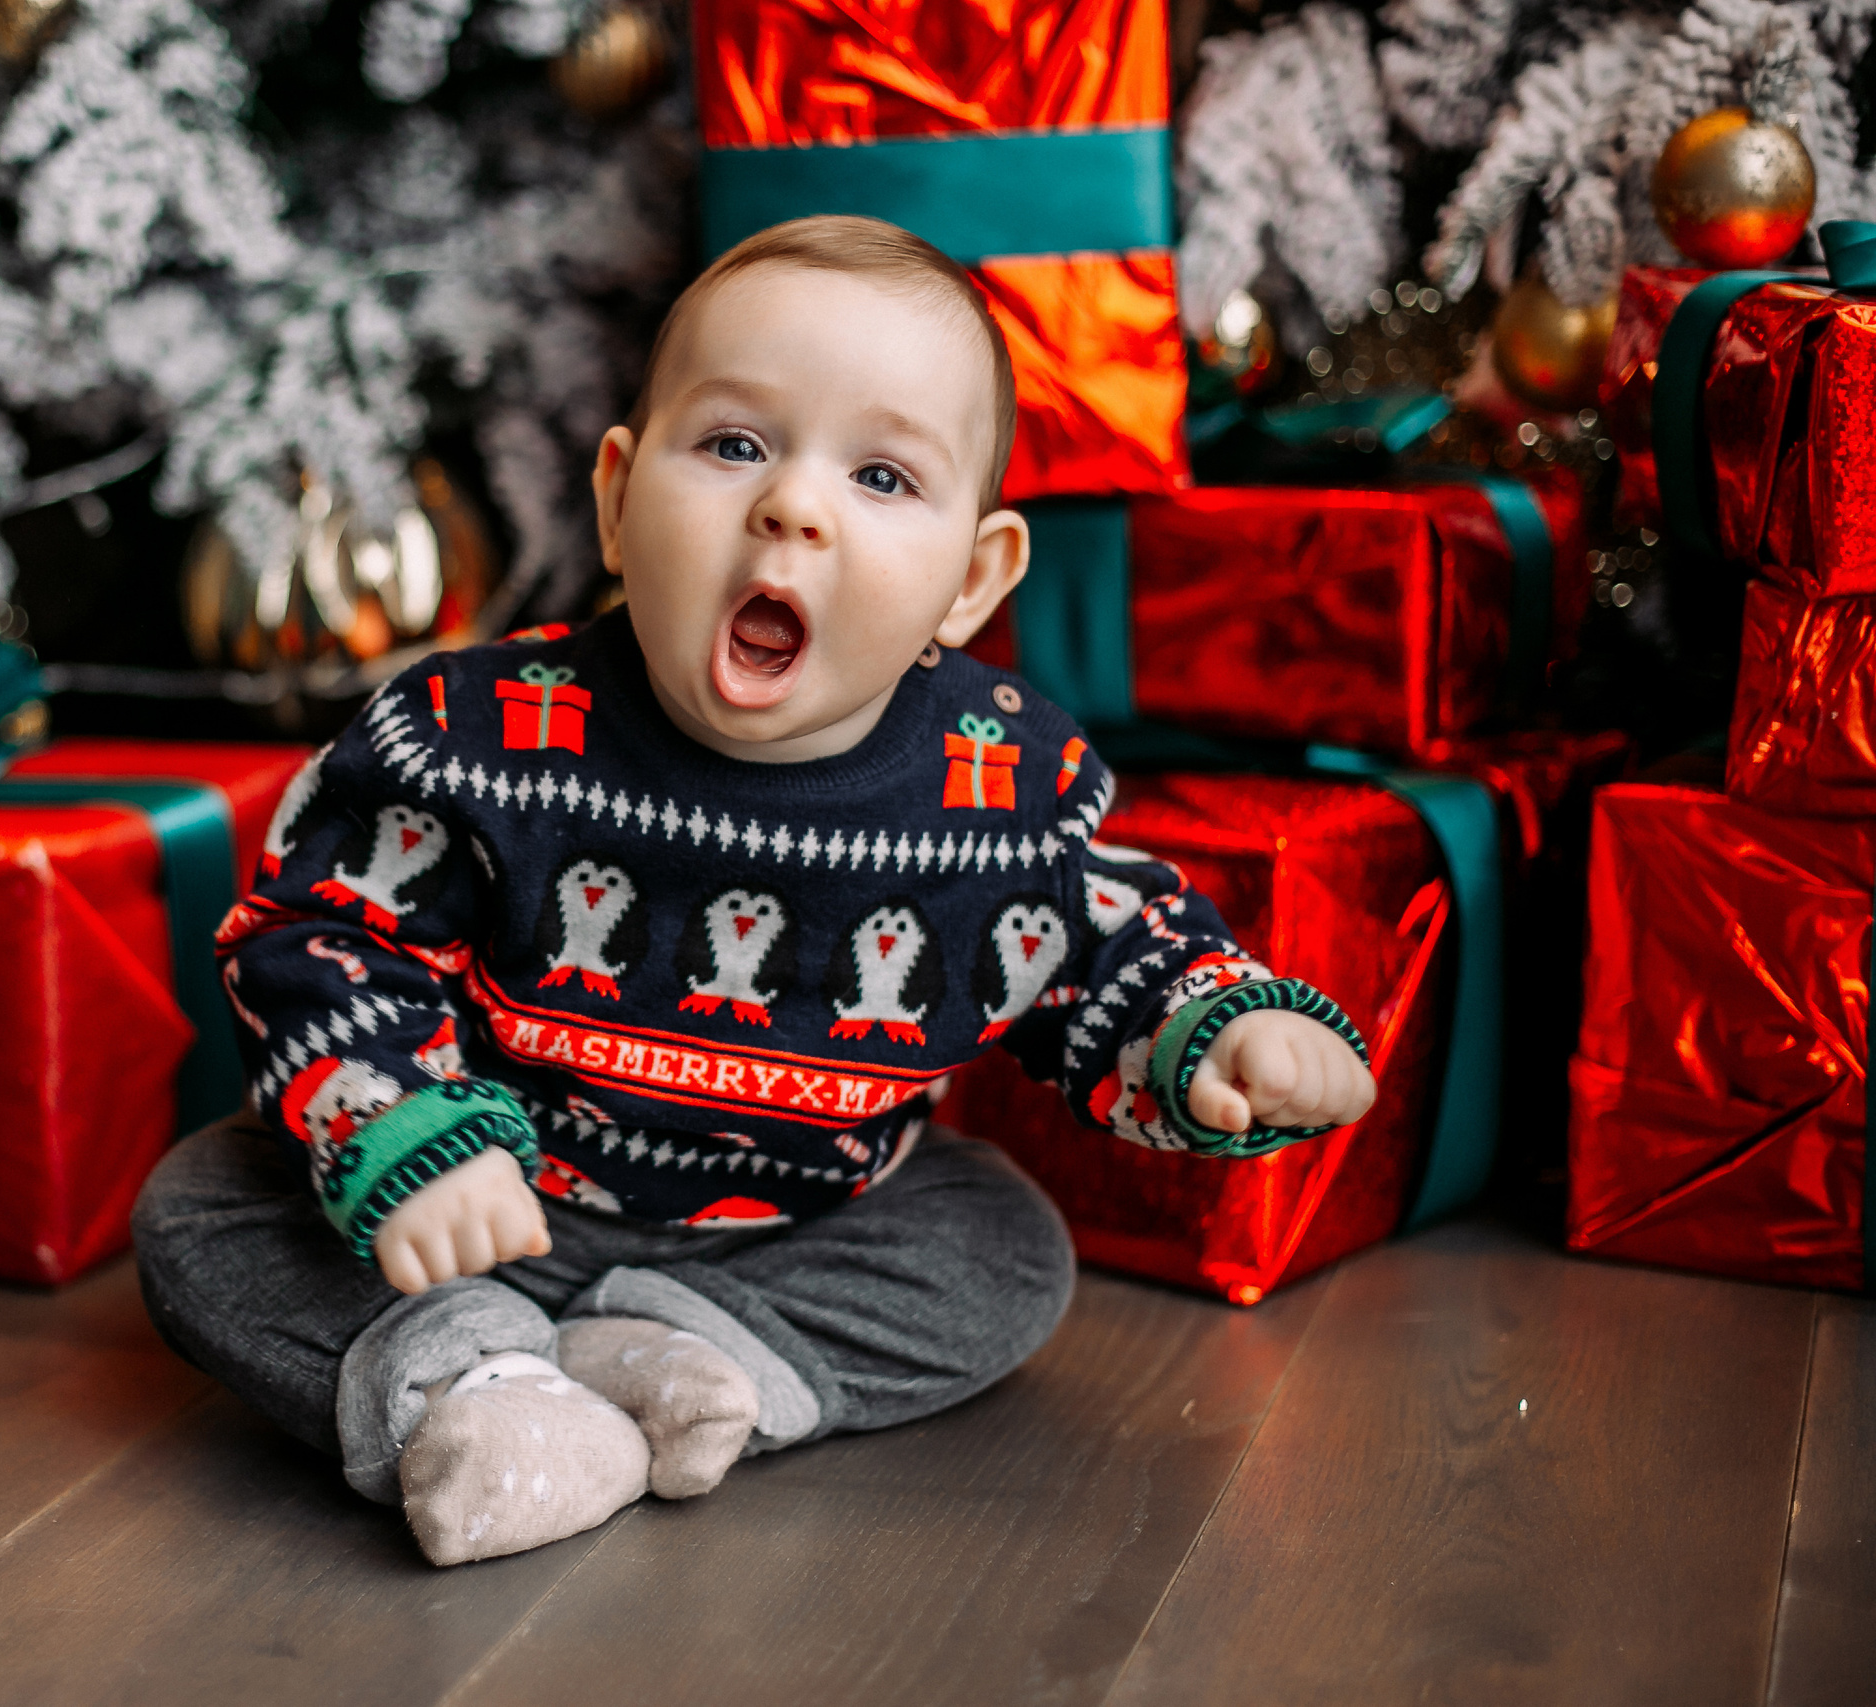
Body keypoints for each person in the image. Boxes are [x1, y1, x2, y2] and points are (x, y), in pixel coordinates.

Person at [134, 215, 1377, 1566]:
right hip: (496, 1203)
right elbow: (322, 929)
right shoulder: (481, 738)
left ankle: (685, 1360)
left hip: (810, 1224)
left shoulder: (998, 788)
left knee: (1009, 1250)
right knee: (203, 1213)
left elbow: (1098, 944)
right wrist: (410, 1131)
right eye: (734, 445)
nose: (793, 504)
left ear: (970, 580)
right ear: (617, 499)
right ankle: (477, 1387)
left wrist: (1221, 1028)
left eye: (886, 475)